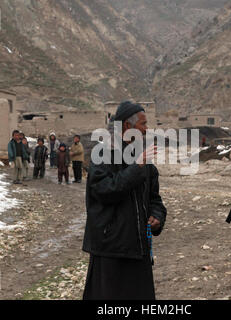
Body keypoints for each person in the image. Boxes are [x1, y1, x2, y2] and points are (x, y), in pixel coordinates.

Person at [82, 101, 167, 300]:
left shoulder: (143, 158)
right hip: (111, 249)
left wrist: (157, 216)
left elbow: (155, 198)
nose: (147, 129)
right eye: (143, 124)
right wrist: (136, 169)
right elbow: (104, 191)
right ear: (127, 127)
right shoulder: (103, 153)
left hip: (138, 249)